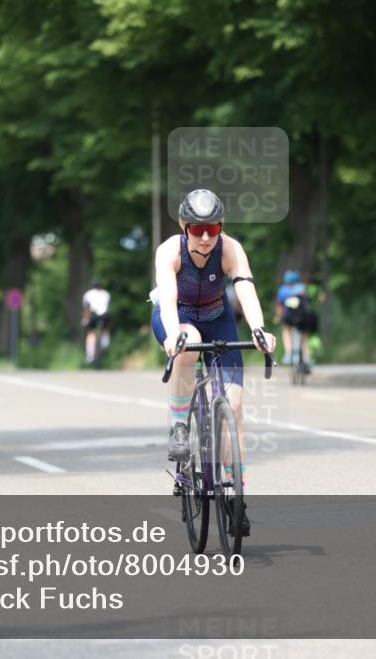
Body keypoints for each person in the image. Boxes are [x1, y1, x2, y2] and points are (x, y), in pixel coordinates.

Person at [152, 189, 276, 537]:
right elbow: (168, 298)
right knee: (188, 345)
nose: (206, 237)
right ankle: (179, 425)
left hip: (218, 316)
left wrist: (259, 329)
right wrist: (173, 334)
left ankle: (236, 493)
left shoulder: (232, 248)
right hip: (177, 316)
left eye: (213, 228)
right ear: (183, 226)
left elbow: (246, 288)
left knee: (234, 406)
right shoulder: (169, 251)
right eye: (197, 229)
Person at [274, 270, 317, 370]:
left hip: (289, 317)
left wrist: (277, 318)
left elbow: (280, 308)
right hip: (304, 318)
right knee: (304, 338)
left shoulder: (282, 290)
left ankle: (289, 354)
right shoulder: (303, 288)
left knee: (286, 331)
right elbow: (309, 303)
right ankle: (307, 360)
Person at [81, 280, 111, 366]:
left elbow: (86, 308)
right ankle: (105, 345)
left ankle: (90, 356)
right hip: (104, 316)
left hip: (93, 316)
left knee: (90, 333)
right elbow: (107, 307)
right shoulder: (106, 294)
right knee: (106, 330)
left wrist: (85, 319)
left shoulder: (88, 294)